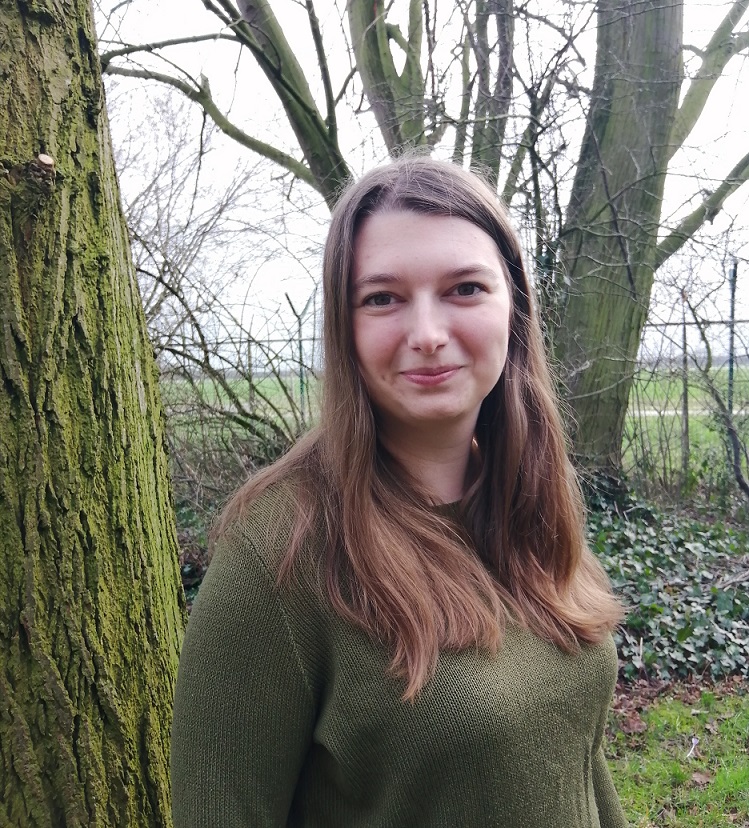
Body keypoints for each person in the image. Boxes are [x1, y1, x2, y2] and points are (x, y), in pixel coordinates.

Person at [171, 156, 627, 827]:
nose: (428, 335)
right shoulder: (281, 553)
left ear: (514, 307)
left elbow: (574, 759)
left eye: (464, 288)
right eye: (382, 298)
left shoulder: (526, 499)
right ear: (345, 326)